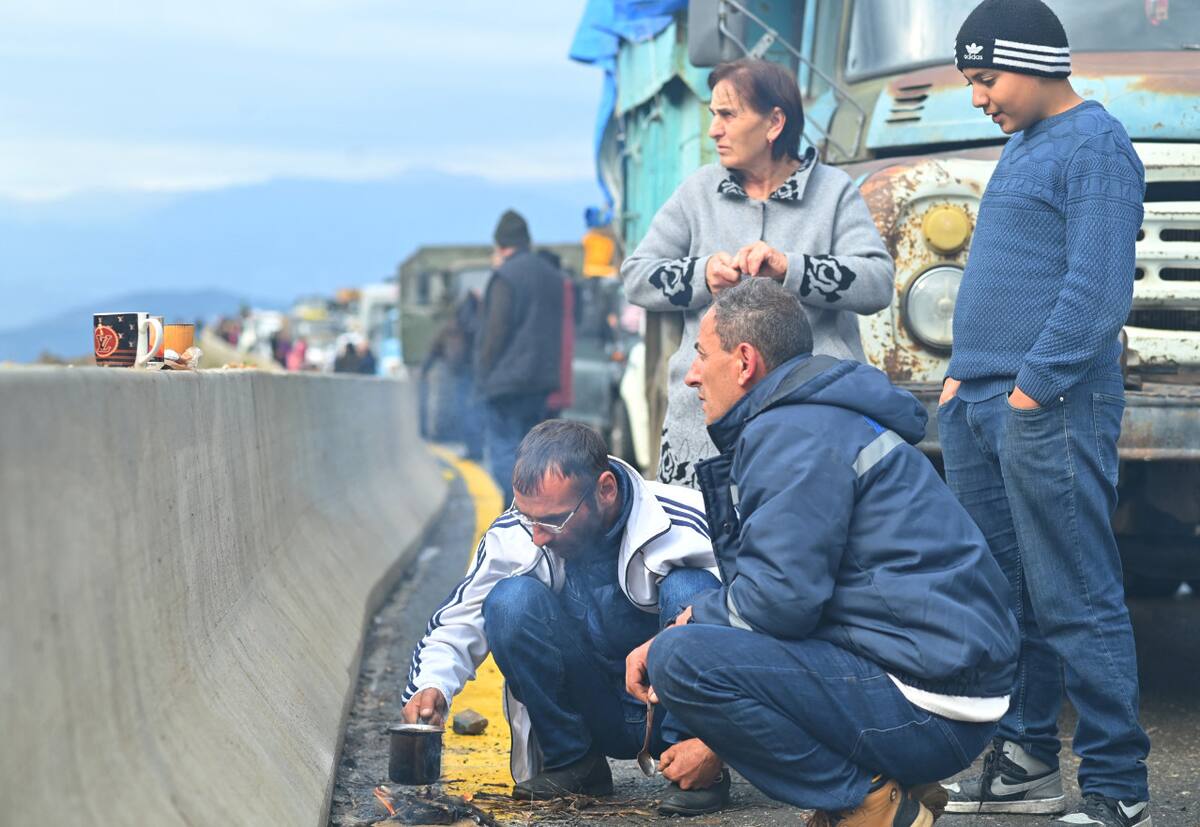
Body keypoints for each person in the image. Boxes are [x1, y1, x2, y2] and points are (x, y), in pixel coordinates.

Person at [627, 279, 1018, 827]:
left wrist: (687, 624)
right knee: (704, 639)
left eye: (701, 354)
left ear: (744, 362)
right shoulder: (814, 417)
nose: (692, 375)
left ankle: (868, 804)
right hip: (944, 684)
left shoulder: (792, 432)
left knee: (681, 659)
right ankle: (886, 783)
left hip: (928, 701)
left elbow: (780, 601)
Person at [936, 3, 1151, 825]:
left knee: (1074, 589)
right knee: (1004, 592)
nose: (979, 97)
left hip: (1047, 402)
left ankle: (1118, 786)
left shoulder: (1097, 144)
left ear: (1033, 63)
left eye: (986, 79)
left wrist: (1030, 388)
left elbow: (1098, 289)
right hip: (981, 401)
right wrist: (962, 379)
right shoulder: (1026, 144)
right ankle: (1026, 761)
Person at [401, 421, 727, 815]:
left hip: (669, 706)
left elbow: (763, 615)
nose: (538, 535)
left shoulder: (689, 519)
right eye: (528, 517)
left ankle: (695, 764)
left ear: (605, 490)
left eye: (553, 520)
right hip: (593, 706)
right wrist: (432, 684)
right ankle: (574, 762)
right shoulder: (520, 531)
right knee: (509, 601)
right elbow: (459, 617)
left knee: (693, 589)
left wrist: (717, 740)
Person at [621, 57, 894, 489]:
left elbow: (877, 282)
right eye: (714, 116)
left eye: (728, 115)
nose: (714, 130)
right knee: (700, 547)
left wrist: (791, 268)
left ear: (774, 123)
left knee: (804, 541)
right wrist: (702, 276)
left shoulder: (833, 191)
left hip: (816, 419)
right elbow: (636, 276)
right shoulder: (698, 192)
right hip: (703, 426)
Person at [475, 210, 564, 503]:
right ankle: (536, 509)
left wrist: (482, 376)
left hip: (506, 382)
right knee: (533, 453)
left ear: (500, 244)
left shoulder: (505, 277)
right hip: (541, 380)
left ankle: (516, 506)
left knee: (503, 449)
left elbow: (494, 332)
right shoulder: (552, 276)